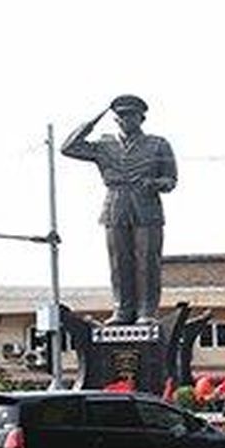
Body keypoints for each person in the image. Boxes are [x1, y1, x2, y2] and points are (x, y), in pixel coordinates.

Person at [61, 95, 177, 325]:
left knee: (147, 261)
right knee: (118, 261)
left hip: (146, 204)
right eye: (121, 116)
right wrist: (93, 121)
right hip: (115, 204)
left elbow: (171, 180)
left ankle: (146, 311)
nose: (126, 120)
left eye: (131, 115)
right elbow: (68, 147)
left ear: (141, 118)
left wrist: (155, 183)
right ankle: (122, 310)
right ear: (115, 119)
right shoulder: (104, 145)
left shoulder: (158, 144)